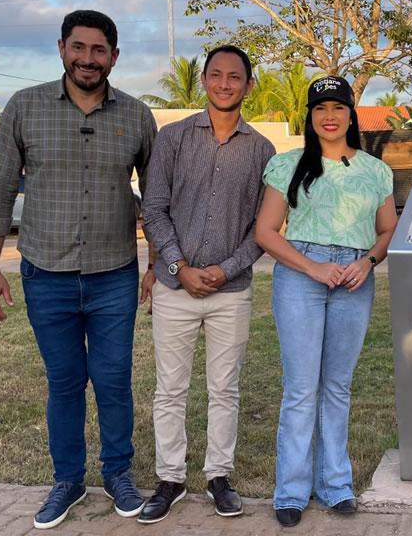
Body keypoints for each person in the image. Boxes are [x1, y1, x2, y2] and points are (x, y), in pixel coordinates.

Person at [0, 10, 157, 530]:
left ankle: (118, 473)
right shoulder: (24, 108)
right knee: (64, 382)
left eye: (99, 50)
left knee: (113, 380)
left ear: (114, 57)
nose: (88, 59)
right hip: (45, 274)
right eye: (79, 48)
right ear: (61, 48)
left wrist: (155, 264)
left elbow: (157, 196)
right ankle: (68, 480)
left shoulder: (138, 116)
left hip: (114, 274)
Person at [137, 46, 276, 524]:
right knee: (170, 389)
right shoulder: (172, 139)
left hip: (230, 294)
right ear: (203, 80)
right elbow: (153, 209)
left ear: (248, 85)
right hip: (175, 290)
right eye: (215, 75)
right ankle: (170, 478)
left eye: (234, 77)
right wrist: (177, 268)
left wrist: (226, 269)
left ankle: (219, 476)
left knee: (225, 389)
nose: (224, 84)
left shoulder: (262, 150)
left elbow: (264, 227)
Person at [254, 76, 397, 527]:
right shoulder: (288, 164)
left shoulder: (375, 170)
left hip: (355, 278)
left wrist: (368, 262)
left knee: (337, 386)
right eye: (320, 109)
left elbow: (387, 229)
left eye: (338, 108)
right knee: (301, 389)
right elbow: (264, 232)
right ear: (310, 117)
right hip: (302, 275)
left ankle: (336, 485)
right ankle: (292, 491)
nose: (329, 116)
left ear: (352, 115)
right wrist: (312, 267)